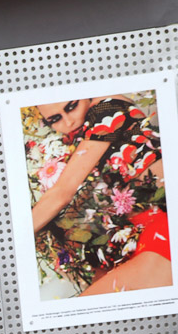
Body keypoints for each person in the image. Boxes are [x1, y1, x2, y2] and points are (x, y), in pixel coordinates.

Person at [29, 94, 169, 295]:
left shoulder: (107, 108)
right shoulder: (81, 138)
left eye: (71, 107)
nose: (68, 122)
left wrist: (14, 236)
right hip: (137, 236)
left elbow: (62, 193)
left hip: (162, 225)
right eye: (55, 119)